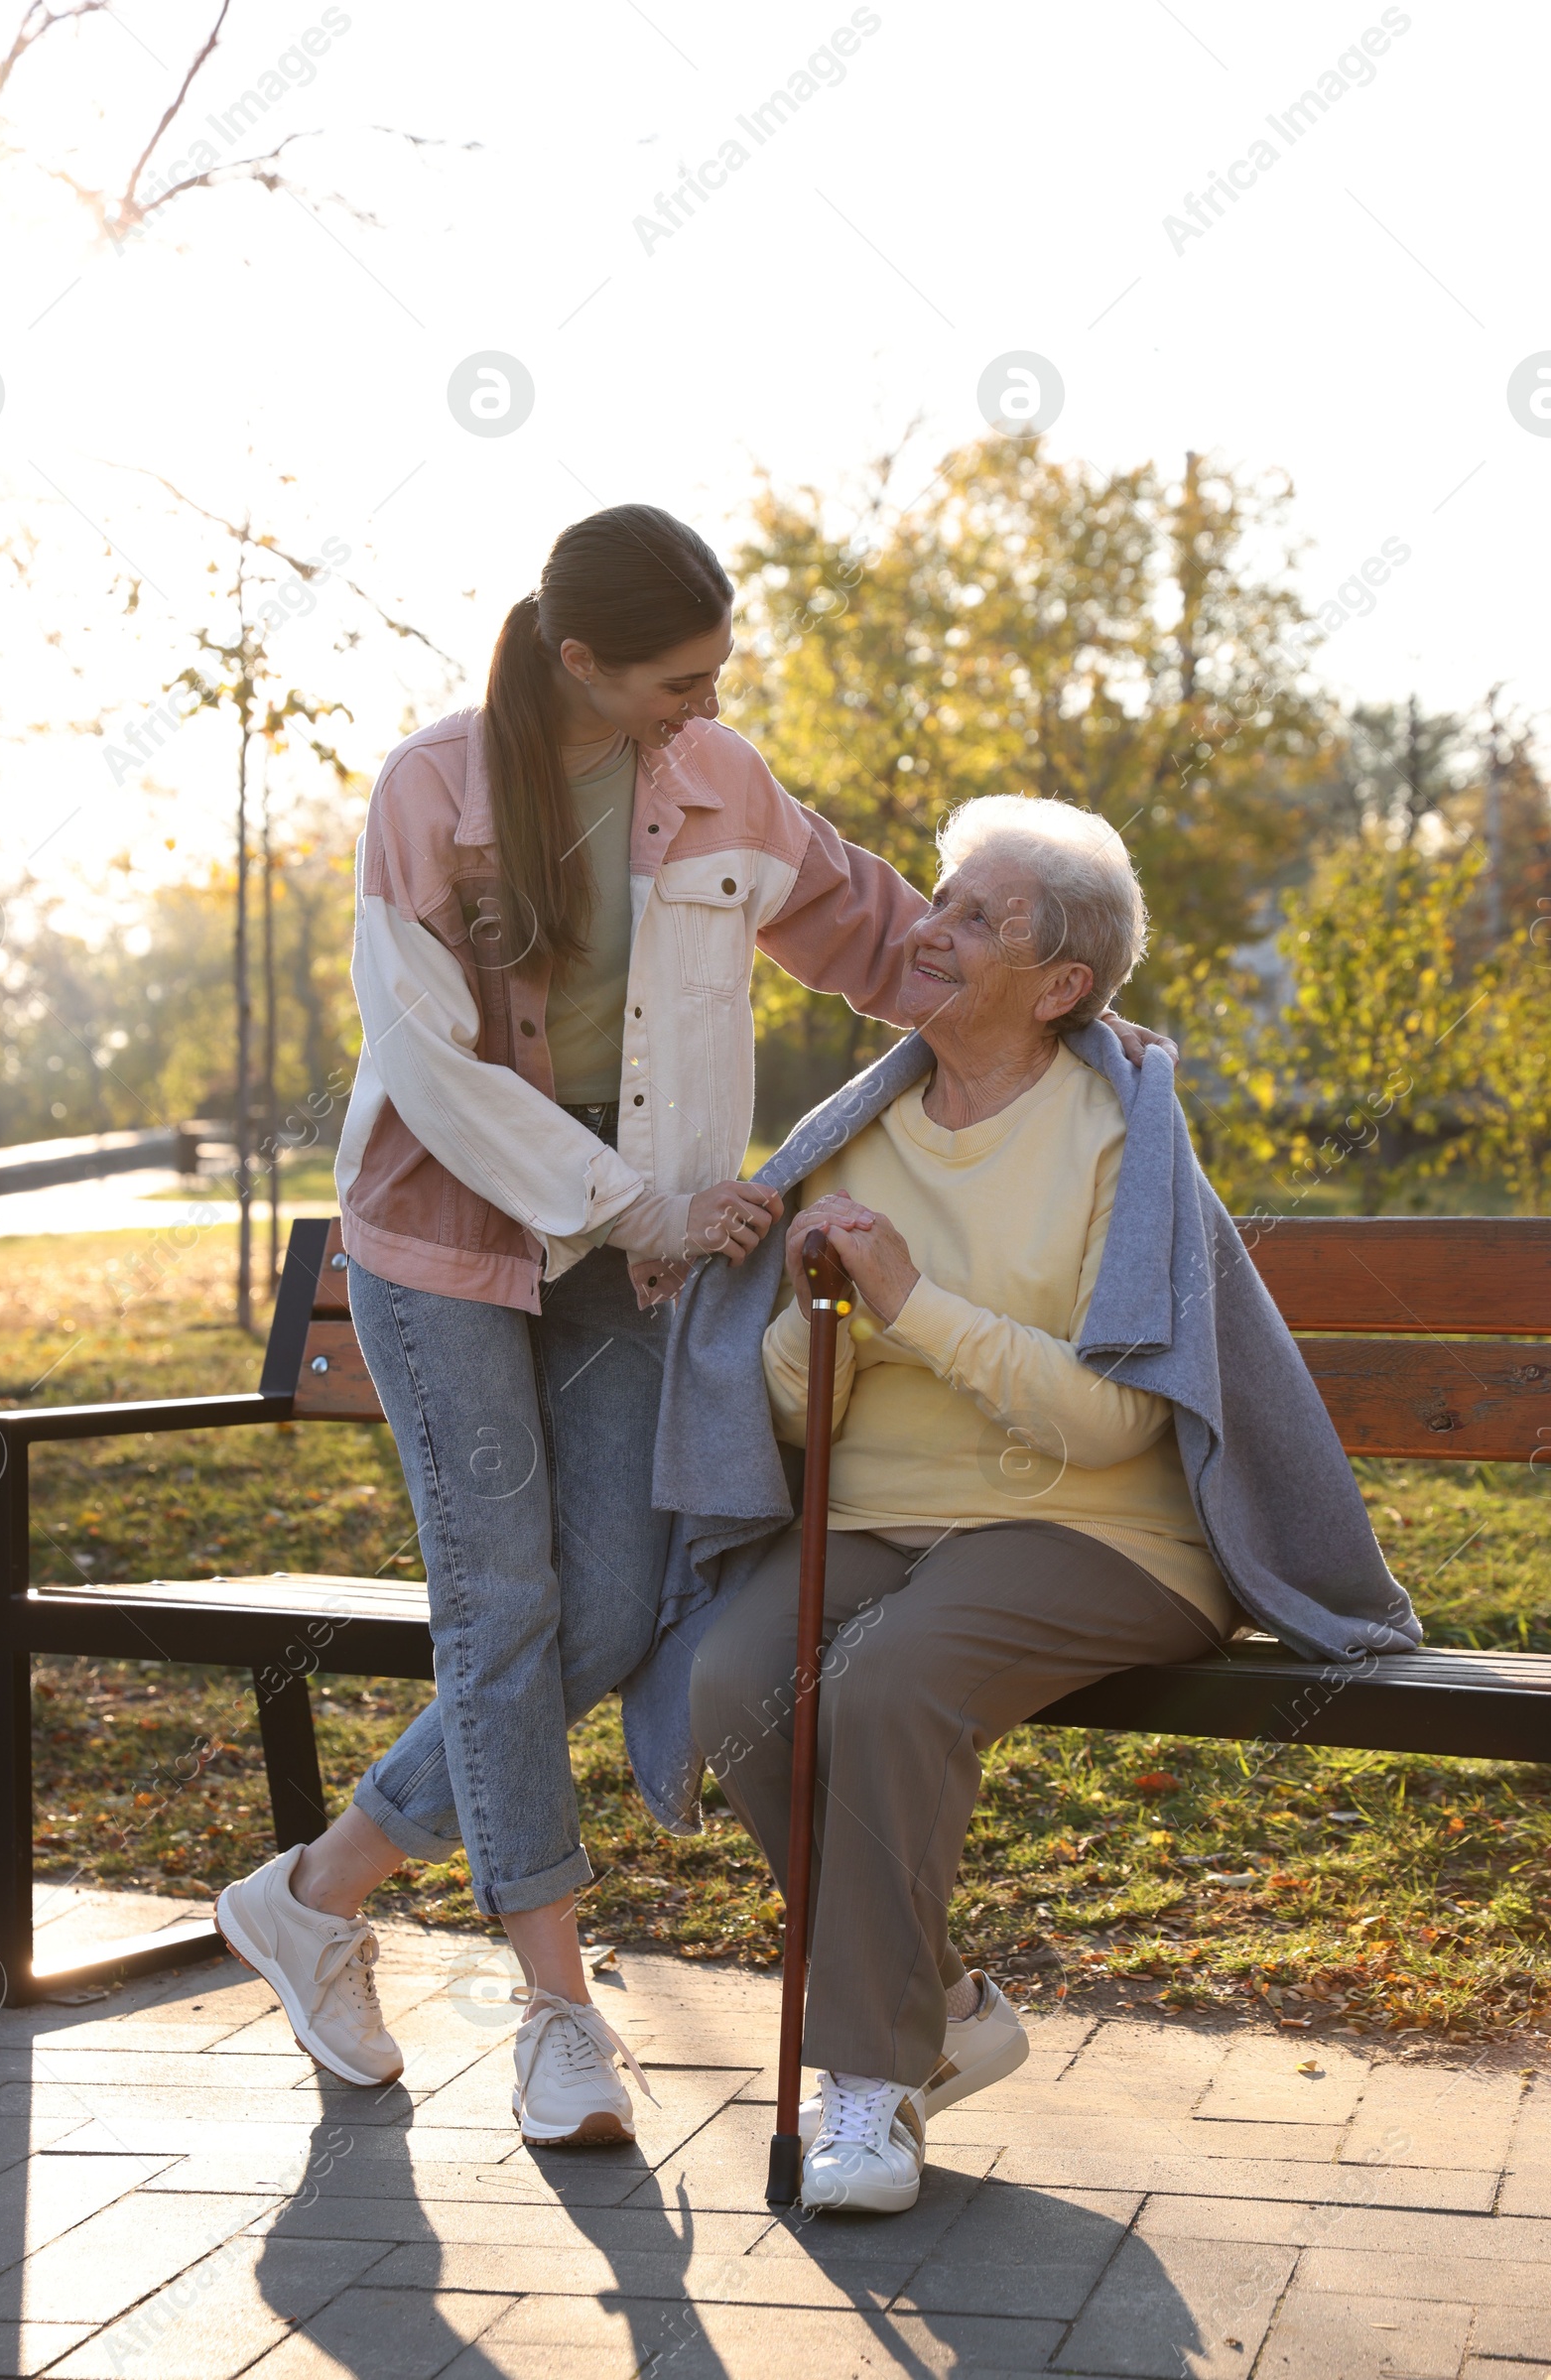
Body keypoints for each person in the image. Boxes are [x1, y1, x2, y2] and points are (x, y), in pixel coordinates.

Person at [216, 511, 1170, 2147]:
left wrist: (1087, 1037)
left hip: (628, 1257)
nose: (703, 703)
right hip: (447, 1243)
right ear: (580, 659)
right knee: (506, 1608)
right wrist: (640, 1206)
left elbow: (884, 934)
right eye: (678, 677)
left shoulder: (720, 779)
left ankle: (315, 1892)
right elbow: (431, 1069)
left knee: (611, 1609)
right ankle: (558, 2017)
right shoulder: (431, 789)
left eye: (716, 673)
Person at [690, 795, 1246, 2213]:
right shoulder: (856, 1135)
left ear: (1061, 985)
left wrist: (913, 1304)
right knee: (735, 1681)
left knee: (881, 1688)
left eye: (975, 919)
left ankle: (871, 2088)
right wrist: (822, 1313)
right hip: (885, 1513)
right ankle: (937, 2004)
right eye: (935, 902)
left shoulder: (1120, 1137)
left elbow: (1123, 1415)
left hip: (1099, 1529)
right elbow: (799, 1410)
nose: (926, 934)